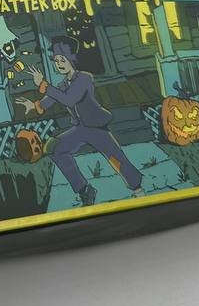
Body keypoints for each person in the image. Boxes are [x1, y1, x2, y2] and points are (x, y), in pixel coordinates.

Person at [18, 36, 142, 206]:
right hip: (80, 128)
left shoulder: (84, 78)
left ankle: (137, 189)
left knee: (116, 157)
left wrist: (45, 85)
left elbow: (70, 99)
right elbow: (50, 100)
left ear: (72, 60)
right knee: (56, 149)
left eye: (62, 60)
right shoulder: (63, 84)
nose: (59, 64)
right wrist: (33, 105)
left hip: (96, 127)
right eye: (56, 61)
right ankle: (84, 189)